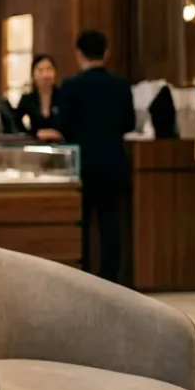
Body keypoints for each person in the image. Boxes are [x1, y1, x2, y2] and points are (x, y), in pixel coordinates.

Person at [57, 30, 136, 283]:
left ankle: (83, 278)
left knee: (80, 225)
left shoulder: (71, 87)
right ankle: (110, 279)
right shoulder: (120, 86)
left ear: (79, 53)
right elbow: (129, 122)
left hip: (82, 165)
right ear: (106, 52)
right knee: (110, 224)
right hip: (113, 163)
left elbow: (64, 126)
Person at [15, 54, 63, 141]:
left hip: (62, 145)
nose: (45, 75)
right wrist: (33, 134)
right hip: (35, 145)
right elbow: (15, 122)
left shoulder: (63, 96)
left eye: (49, 69)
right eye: (40, 70)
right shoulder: (28, 98)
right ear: (33, 74)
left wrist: (59, 134)